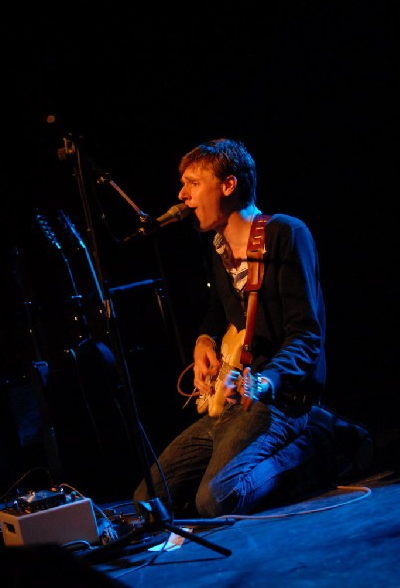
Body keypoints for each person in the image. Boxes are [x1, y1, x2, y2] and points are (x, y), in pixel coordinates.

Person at [133, 138, 373, 519]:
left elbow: (307, 334)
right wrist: (203, 340)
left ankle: (323, 440)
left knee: (217, 499)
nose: (183, 194)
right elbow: (221, 310)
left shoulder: (286, 234)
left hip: (280, 399)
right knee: (150, 501)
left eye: (194, 183)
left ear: (229, 185)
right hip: (231, 400)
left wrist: (266, 381)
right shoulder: (219, 246)